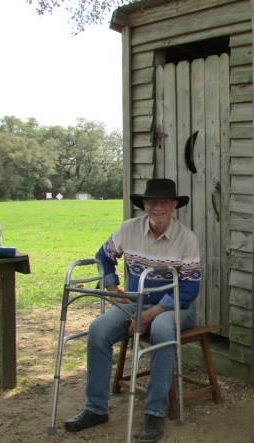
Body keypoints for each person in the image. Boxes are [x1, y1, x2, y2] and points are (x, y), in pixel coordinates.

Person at [64, 178, 201, 443]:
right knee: (98, 329)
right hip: (134, 303)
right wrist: (113, 289)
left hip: (175, 307)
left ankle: (154, 412)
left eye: (164, 202)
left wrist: (150, 314)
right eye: (151, 202)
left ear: (174, 205)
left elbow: (189, 288)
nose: (158, 208)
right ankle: (95, 408)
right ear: (144, 205)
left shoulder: (187, 239)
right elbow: (102, 257)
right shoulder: (128, 230)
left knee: (162, 329)